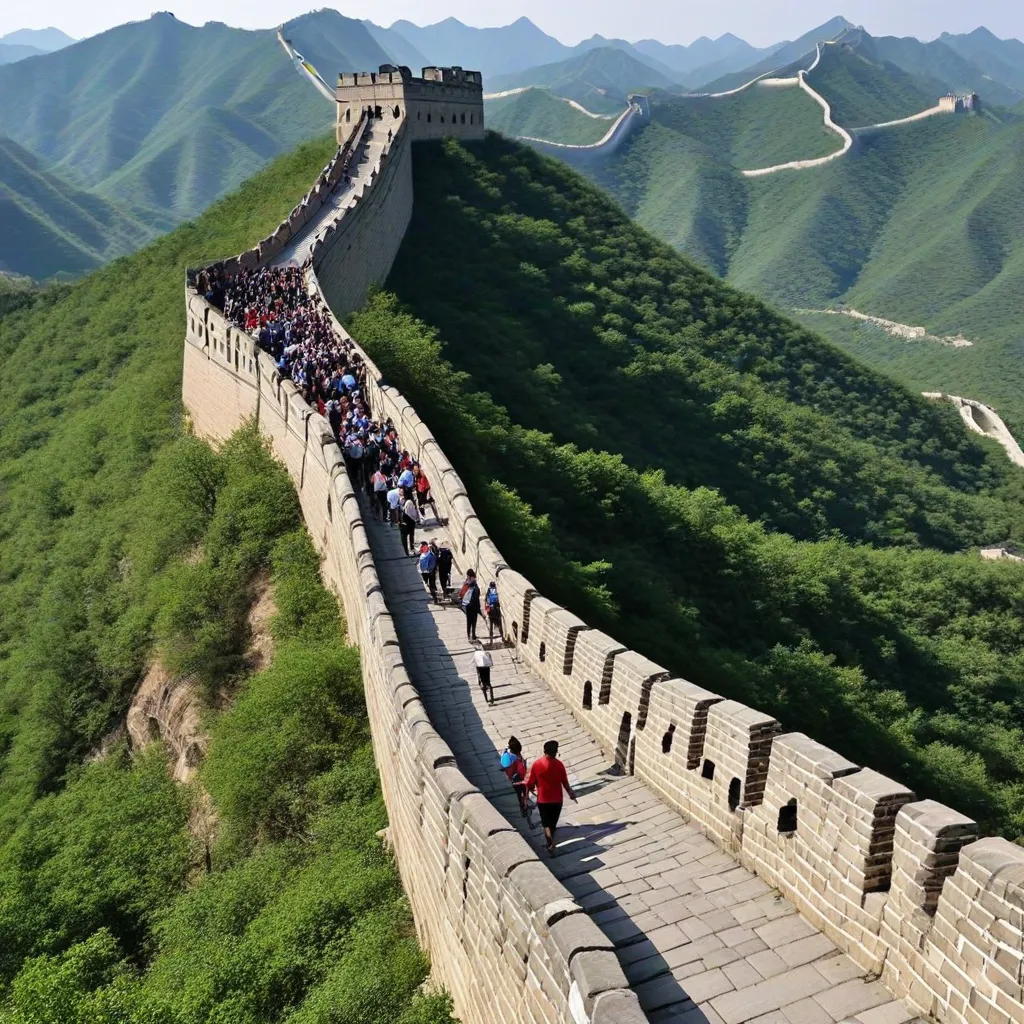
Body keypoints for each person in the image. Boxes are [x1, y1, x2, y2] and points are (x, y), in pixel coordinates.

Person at [525, 740, 577, 856]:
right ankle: (551, 840)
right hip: (557, 800)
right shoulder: (559, 765)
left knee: (546, 824)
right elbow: (565, 782)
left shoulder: (537, 764)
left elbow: (531, 783)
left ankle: (549, 844)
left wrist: (527, 794)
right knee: (552, 824)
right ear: (555, 752)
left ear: (544, 751)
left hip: (543, 800)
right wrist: (570, 793)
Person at [500, 737, 530, 822]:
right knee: (522, 792)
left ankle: (523, 806)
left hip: (514, 779)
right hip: (513, 781)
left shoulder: (508, 754)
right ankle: (523, 808)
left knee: (522, 792)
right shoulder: (511, 758)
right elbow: (508, 771)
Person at [459, 569, 482, 642]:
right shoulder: (475, 586)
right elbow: (477, 596)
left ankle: (468, 636)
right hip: (474, 606)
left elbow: (462, 593)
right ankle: (473, 635)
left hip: (467, 605)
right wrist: (478, 609)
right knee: (474, 621)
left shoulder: (466, 583)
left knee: (468, 621)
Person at [400, 488, 420, 556]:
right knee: (410, 536)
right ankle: (411, 549)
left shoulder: (405, 501)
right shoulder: (409, 502)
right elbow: (411, 513)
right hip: (409, 522)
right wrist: (415, 518)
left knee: (406, 537)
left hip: (406, 522)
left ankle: (407, 551)